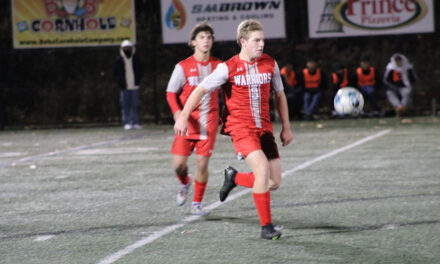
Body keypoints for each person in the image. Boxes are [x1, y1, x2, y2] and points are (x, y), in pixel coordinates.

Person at [174, 19, 293, 240]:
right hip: (241, 129)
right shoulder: (227, 68)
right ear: (243, 42)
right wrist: (183, 115)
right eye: (256, 40)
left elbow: (280, 94)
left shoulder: (270, 63)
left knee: (273, 182)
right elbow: (200, 90)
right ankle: (266, 228)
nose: (261, 44)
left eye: (262, 40)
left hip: (264, 129)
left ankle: (235, 178)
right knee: (262, 168)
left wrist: (286, 127)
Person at [166, 22, 222, 215]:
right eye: (201, 37)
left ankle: (197, 203)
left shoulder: (220, 66)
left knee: (202, 163)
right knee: (179, 166)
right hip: (187, 122)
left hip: (209, 121)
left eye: (209, 37)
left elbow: (230, 92)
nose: (205, 40)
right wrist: (178, 114)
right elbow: (171, 93)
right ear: (192, 42)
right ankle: (185, 182)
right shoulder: (183, 67)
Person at [113, 40, 143, 130]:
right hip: (124, 87)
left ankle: (135, 122)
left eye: (129, 48)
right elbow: (115, 73)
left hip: (135, 87)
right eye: (125, 48)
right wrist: (120, 82)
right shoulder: (118, 60)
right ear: (122, 49)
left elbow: (141, 71)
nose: (127, 50)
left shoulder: (136, 59)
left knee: (135, 105)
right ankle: (126, 122)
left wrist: (138, 81)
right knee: (125, 105)